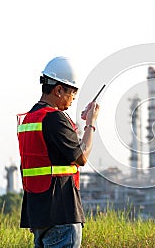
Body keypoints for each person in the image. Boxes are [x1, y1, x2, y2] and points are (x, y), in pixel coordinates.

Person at [17, 56, 99, 248]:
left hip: (39, 218)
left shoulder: (28, 121)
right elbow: (82, 156)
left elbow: (28, 170)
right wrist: (91, 124)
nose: (72, 100)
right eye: (72, 93)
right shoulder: (54, 119)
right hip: (62, 216)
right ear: (58, 90)